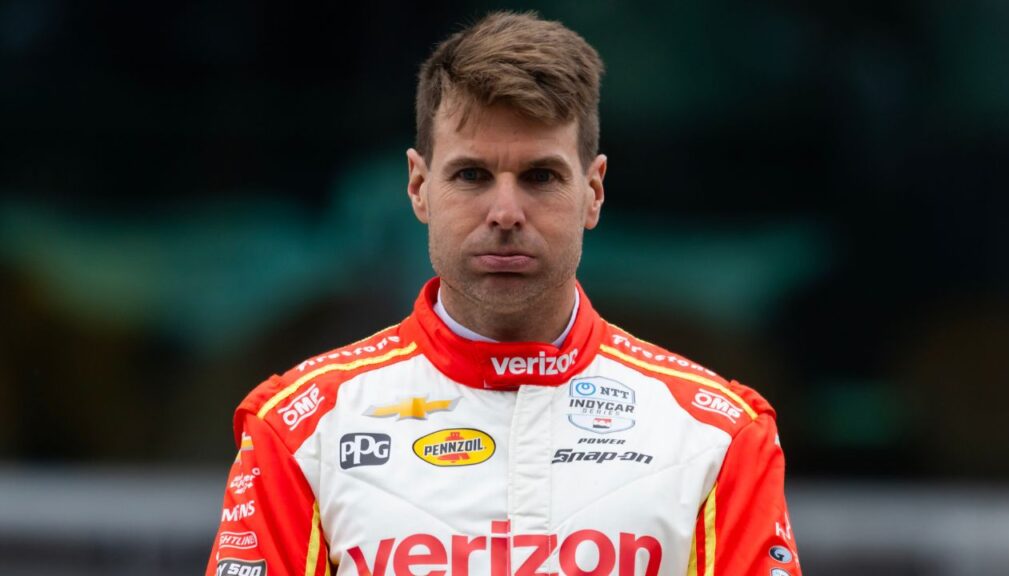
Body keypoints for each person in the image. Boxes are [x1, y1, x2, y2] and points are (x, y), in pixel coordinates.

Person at [207, 11, 801, 576]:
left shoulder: (718, 437)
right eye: (472, 175)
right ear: (418, 187)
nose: (506, 212)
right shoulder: (298, 430)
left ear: (594, 192)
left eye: (541, 176)